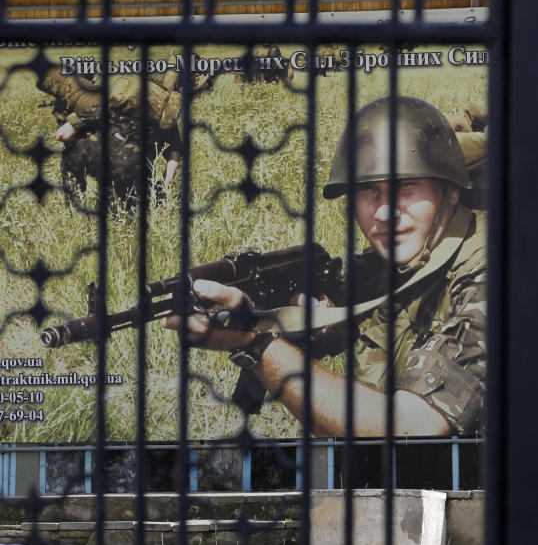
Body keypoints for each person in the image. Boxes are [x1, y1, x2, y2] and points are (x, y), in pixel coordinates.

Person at [165, 96, 486, 437]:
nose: (385, 212)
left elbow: (415, 425)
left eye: (406, 187)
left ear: (452, 191)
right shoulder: (397, 264)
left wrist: (253, 344)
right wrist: (298, 319)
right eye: (367, 191)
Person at [37, 68, 183, 208]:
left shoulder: (106, 105)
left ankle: (75, 209)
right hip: (136, 175)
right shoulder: (163, 118)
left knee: (73, 151)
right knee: (126, 215)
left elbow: (62, 135)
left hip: (106, 166)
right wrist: (163, 189)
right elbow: (174, 161)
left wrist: (83, 132)